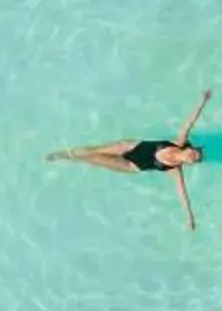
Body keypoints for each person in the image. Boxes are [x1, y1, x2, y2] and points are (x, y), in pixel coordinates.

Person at [51, 90, 211, 231]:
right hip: (130, 147)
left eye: (194, 159)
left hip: (131, 165)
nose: (192, 156)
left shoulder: (174, 170)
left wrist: (189, 218)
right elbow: (189, 122)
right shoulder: (178, 142)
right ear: (189, 148)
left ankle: (73, 159)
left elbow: (183, 195)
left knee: (96, 160)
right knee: (95, 150)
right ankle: (64, 154)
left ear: (190, 163)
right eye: (194, 153)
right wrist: (203, 101)